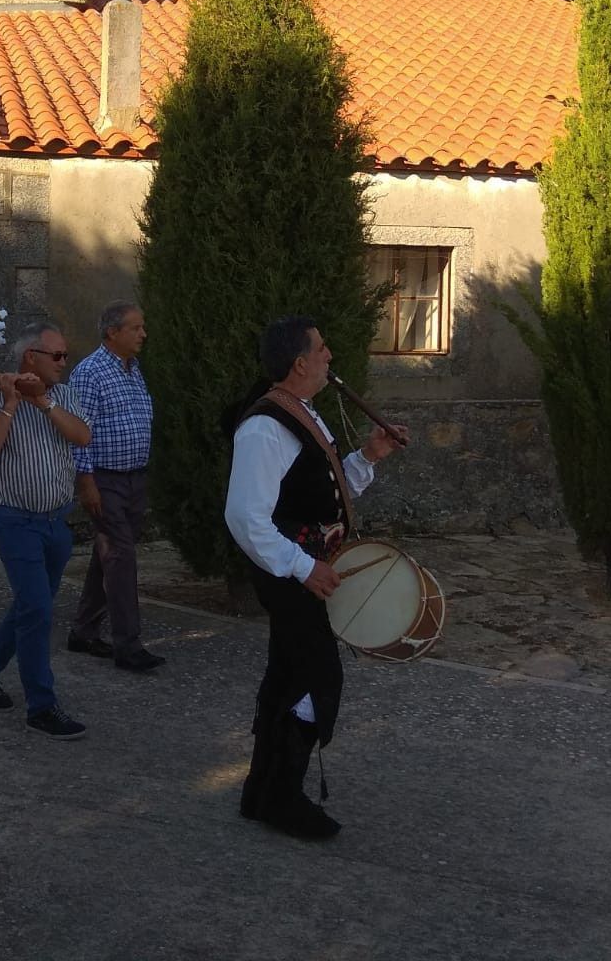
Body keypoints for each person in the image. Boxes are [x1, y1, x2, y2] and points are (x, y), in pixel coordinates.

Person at [224, 317, 406, 840]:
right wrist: (304, 568)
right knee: (318, 679)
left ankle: (263, 794)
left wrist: (369, 454)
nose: (331, 356)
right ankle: (284, 797)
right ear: (300, 363)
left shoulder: (301, 413)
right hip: (288, 573)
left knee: (287, 675)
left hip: (300, 570)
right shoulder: (266, 426)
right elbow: (245, 517)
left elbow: (321, 492)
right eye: (322, 350)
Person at [0, 322, 92, 739]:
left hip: (56, 520)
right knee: (37, 608)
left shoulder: (64, 396)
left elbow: (83, 437)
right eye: (56, 356)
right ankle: (42, 704)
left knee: (30, 606)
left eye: (65, 356)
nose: (63, 363)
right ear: (29, 358)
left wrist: (42, 403)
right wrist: (10, 403)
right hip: (15, 519)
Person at [67, 301, 162, 672]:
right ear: (112, 332)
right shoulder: (89, 373)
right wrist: (86, 483)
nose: (143, 334)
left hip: (134, 478)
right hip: (105, 479)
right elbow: (78, 433)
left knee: (108, 555)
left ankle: (84, 631)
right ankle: (128, 645)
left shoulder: (133, 370)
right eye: (135, 328)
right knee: (121, 558)